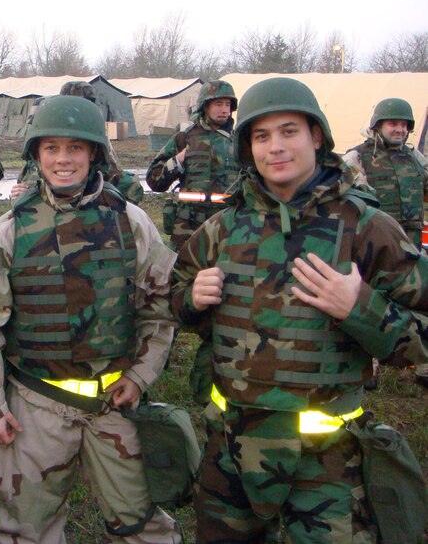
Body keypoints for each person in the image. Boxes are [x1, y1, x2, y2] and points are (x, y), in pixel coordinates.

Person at [169, 77, 428, 543]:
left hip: (327, 460)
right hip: (231, 450)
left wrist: (361, 309)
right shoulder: (223, 228)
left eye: (289, 131)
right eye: (261, 136)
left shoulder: (367, 228)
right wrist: (192, 299)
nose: (276, 147)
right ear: (247, 147)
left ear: (316, 136)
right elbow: (175, 299)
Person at [0, 95, 182, 544]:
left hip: (114, 403)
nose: (63, 159)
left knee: (141, 522)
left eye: (75, 148)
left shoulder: (130, 222)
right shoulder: (10, 231)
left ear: (94, 153)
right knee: (28, 528)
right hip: (34, 405)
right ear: (36, 154)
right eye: (51, 148)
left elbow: (161, 306)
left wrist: (140, 374)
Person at [13, 81, 145, 205]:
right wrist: (22, 195)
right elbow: (29, 175)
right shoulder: (48, 123)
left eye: (75, 147)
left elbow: (112, 171)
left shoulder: (92, 132)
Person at [145, 79, 240, 250]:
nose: (224, 109)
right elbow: (154, 181)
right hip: (188, 227)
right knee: (182, 275)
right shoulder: (184, 138)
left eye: (228, 104)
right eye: (219, 104)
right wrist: (177, 161)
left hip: (227, 224)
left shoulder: (238, 141)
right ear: (205, 106)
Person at [342, 98, 428, 249]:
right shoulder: (357, 157)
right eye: (393, 124)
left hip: (412, 242)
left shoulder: (414, 157)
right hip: (375, 241)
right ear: (378, 125)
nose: (400, 129)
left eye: (404, 125)